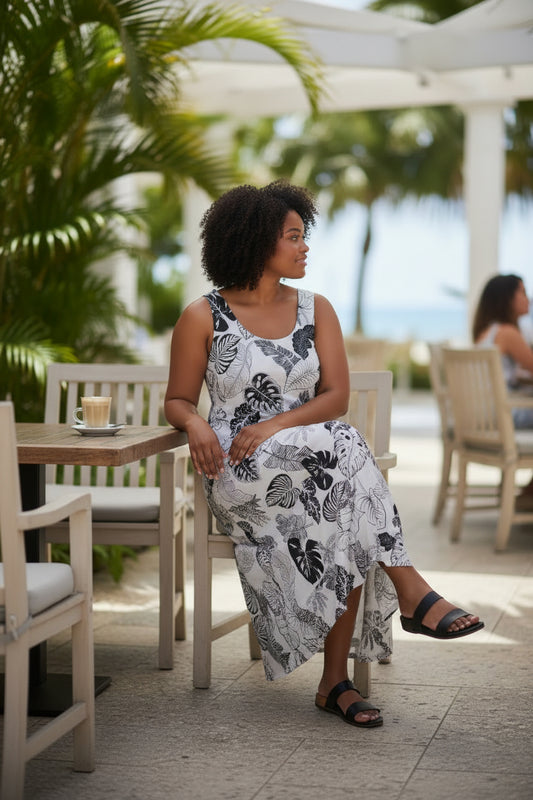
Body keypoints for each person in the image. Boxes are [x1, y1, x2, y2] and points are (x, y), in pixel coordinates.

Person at [165, 181, 483, 729]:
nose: (304, 247)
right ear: (258, 242)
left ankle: (337, 678)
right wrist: (194, 421)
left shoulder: (317, 309)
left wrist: (276, 424)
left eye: (303, 236)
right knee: (347, 462)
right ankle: (402, 604)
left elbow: (335, 394)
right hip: (241, 470)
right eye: (293, 237)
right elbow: (176, 400)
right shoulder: (203, 317)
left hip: (311, 461)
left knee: (344, 501)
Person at [473, 273, 533, 506]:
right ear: (506, 299)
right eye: (522, 292)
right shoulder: (508, 333)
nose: (528, 298)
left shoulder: (487, 332)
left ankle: (527, 494)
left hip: (486, 416)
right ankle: (528, 495)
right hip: (504, 415)